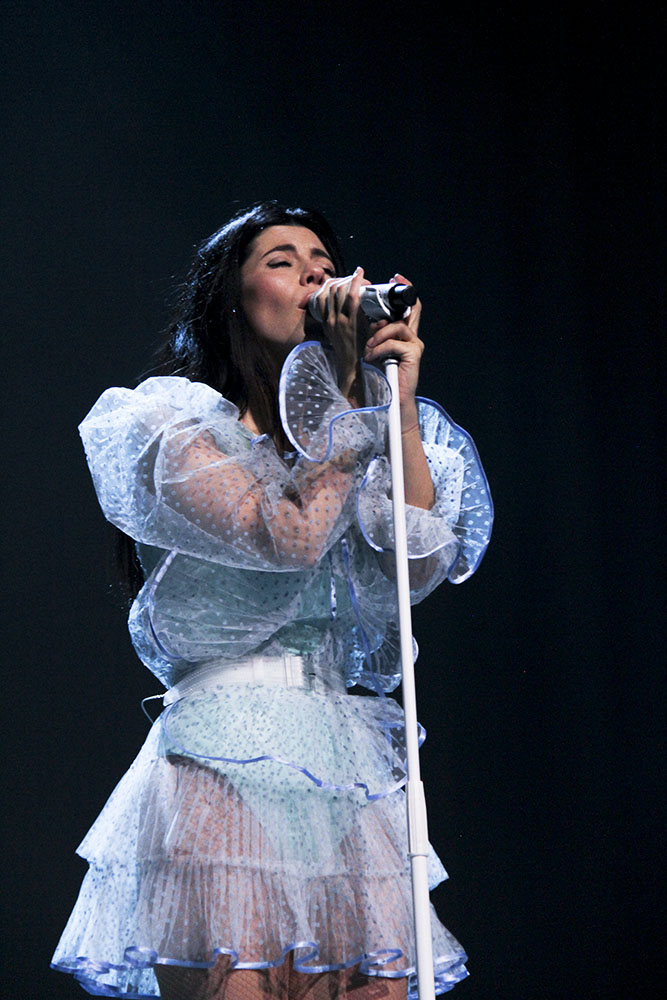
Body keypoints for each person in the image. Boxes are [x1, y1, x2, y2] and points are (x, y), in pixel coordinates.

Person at [51, 202, 492, 999]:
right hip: (225, 747)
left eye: (322, 258)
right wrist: (349, 410)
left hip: (341, 754)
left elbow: (417, 562)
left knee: (380, 986)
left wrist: (390, 401)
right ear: (232, 298)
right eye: (283, 260)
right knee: (242, 982)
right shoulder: (173, 422)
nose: (315, 272)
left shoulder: (353, 427)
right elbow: (283, 534)